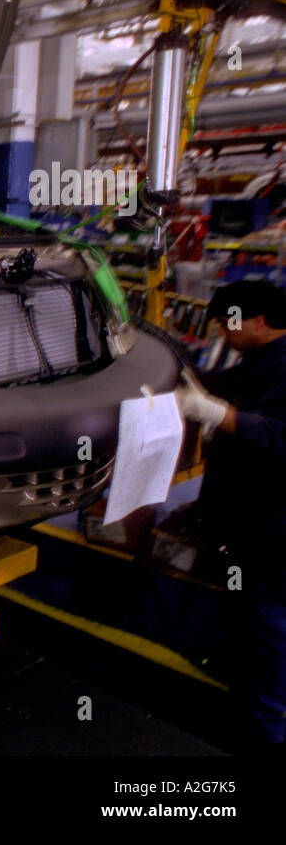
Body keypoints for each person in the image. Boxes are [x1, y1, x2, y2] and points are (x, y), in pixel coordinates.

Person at [176, 278, 286, 748]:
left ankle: (267, 734)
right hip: (247, 523)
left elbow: (280, 436)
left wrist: (218, 415)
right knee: (251, 620)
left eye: (229, 321)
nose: (222, 330)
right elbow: (229, 382)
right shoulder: (259, 360)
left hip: (276, 529)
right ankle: (250, 705)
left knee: (270, 626)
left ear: (258, 321)